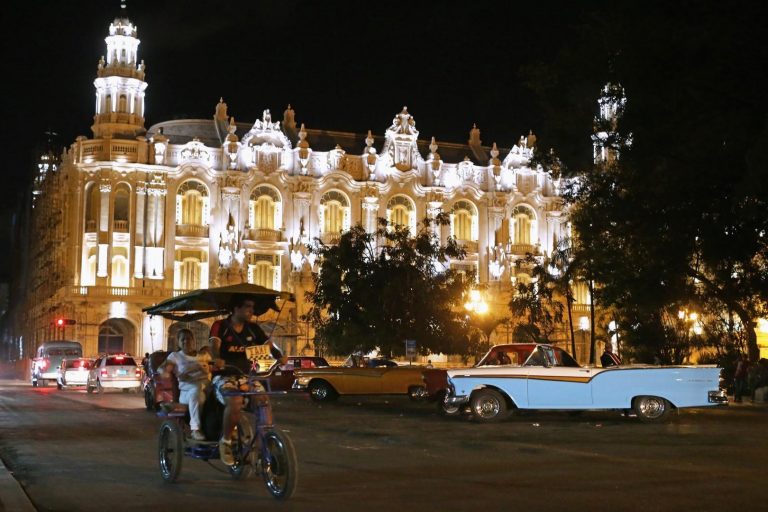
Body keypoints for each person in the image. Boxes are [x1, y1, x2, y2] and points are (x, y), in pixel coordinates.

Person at [210, 297, 286, 465]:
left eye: (252, 307)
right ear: (236, 308)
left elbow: (269, 346)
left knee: (263, 400)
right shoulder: (220, 326)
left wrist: (280, 357)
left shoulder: (253, 329)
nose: (252, 311)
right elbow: (214, 347)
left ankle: (264, 443)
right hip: (224, 376)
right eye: (248, 307)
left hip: (246, 376)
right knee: (235, 401)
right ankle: (226, 441)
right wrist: (216, 358)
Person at [159, 329, 208, 441]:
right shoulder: (175, 356)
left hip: (206, 388)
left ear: (194, 340)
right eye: (183, 339)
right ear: (179, 343)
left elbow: (215, 365)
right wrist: (164, 371)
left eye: (189, 339)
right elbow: (164, 368)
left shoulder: (203, 355)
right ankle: (195, 429)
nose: (186, 341)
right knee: (196, 390)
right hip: (187, 391)